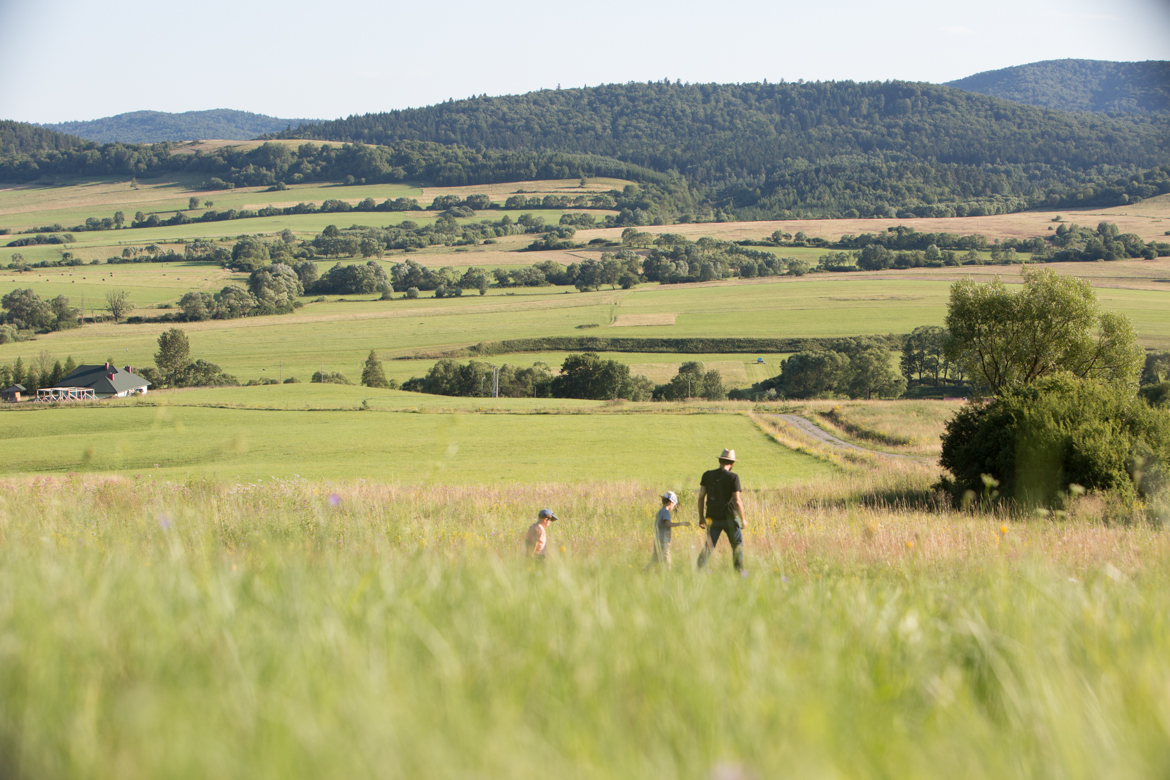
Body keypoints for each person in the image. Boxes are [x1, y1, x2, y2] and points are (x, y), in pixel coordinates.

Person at [696, 448, 747, 574]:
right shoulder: (733, 477)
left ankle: (698, 573)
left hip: (712, 518)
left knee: (709, 547)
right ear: (732, 463)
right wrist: (743, 519)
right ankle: (740, 574)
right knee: (737, 547)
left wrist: (701, 517)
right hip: (730, 518)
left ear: (720, 461)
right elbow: (737, 501)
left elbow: (701, 497)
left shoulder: (707, 475)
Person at [645, 490, 690, 570]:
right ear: (670, 503)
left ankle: (645, 572)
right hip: (663, 542)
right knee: (667, 563)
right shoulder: (666, 512)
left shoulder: (659, 512)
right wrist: (682, 523)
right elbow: (668, 524)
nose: (674, 507)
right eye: (674, 505)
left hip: (657, 540)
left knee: (654, 561)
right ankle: (668, 579)